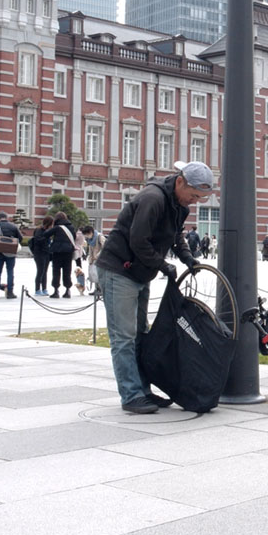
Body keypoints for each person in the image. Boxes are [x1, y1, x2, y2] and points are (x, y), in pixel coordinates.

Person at [96, 160, 208, 414]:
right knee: (124, 337)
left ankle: (142, 390)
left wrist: (187, 257)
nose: (194, 201)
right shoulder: (153, 198)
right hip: (118, 269)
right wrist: (162, 265)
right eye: (193, 195)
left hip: (139, 272)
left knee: (139, 333)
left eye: (199, 197)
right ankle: (131, 394)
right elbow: (138, 240)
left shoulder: (179, 205)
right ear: (180, 182)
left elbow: (176, 235)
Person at [0, 212, 23, 299]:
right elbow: (20, 238)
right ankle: (10, 292)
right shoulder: (13, 226)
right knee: (10, 272)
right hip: (11, 253)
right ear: (6, 217)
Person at [48, 212, 78, 298]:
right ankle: (67, 290)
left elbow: (46, 235)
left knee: (56, 271)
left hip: (57, 252)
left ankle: (56, 290)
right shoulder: (71, 227)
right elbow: (74, 237)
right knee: (67, 271)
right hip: (68, 252)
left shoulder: (57, 228)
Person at [30, 216, 54, 296]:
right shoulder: (39, 230)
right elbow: (38, 240)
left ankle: (44, 288)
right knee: (40, 271)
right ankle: (37, 289)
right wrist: (46, 236)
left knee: (45, 271)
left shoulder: (47, 231)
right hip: (39, 253)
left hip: (46, 253)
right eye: (51, 224)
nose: (52, 226)